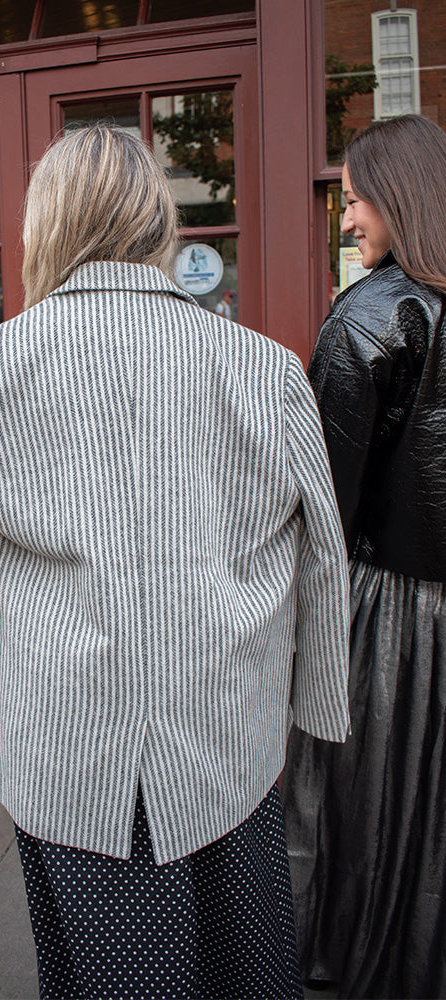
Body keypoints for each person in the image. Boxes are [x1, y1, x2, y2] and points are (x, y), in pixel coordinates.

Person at [0, 123, 350, 1000]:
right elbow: (322, 554)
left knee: (99, 976)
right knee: (244, 967)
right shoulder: (263, 369)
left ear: (46, 224)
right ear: (158, 220)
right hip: (227, 731)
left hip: (64, 741)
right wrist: (315, 701)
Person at [282, 114, 446, 1000]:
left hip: (390, 617)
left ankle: (349, 958)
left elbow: (323, 503)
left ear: (400, 196)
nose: (344, 220)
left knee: (359, 804)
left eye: (352, 200)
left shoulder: (369, 316)